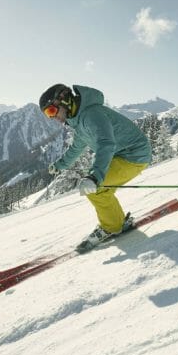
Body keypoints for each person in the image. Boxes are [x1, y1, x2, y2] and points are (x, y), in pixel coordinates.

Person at [39, 83, 152, 251]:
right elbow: (77, 147)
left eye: (51, 111)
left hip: (134, 155)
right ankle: (116, 221)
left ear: (64, 101)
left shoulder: (92, 115)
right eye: (48, 114)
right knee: (100, 189)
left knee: (96, 189)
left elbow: (106, 143)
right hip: (122, 155)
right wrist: (59, 165)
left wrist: (95, 176)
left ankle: (113, 227)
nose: (52, 118)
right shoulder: (78, 120)